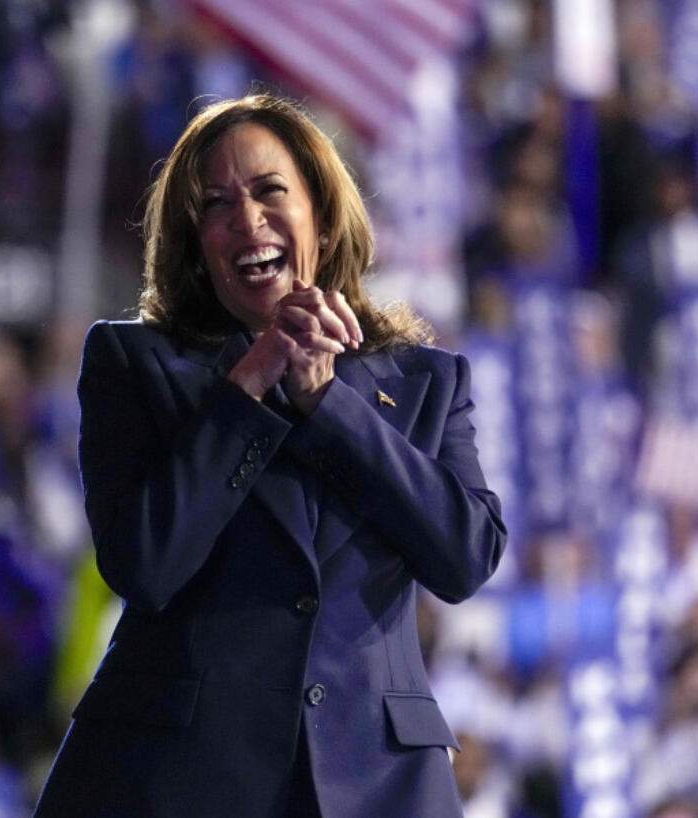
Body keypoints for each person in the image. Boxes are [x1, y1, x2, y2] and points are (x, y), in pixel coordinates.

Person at [34, 93, 507, 818]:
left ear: (319, 209)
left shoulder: (425, 381)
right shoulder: (136, 365)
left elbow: (465, 556)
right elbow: (145, 566)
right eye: (216, 205)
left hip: (375, 786)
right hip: (180, 782)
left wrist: (331, 406)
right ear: (197, 243)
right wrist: (249, 385)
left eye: (269, 191)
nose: (247, 221)